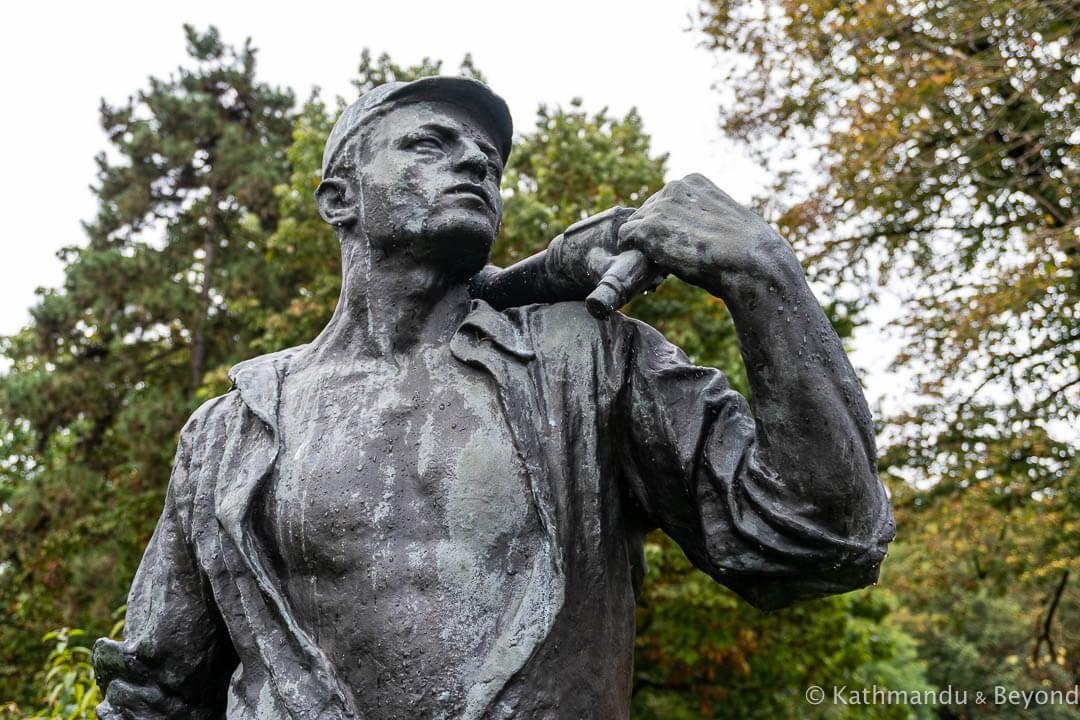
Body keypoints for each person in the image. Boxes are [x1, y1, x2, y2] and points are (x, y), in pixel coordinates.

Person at [93, 77, 894, 720]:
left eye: (488, 159)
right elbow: (157, 690)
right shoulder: (233, 429)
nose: (475, 163)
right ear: (339, 199)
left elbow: (821, 539)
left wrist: (762, 275)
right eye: (430, 145)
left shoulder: (589, 360)